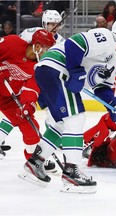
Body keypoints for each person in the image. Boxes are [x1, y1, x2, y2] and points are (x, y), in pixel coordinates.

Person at [21, 17, 116, 193]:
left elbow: (102, 88)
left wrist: (115, 105)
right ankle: (72, 172)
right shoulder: (108, 37)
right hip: (56, 69)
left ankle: (36, 162)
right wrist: (75, 70)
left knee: (60, 123)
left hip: (54, 73)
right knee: (75, 118)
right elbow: (74, 44)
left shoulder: (115, 61)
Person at [0, 9, 65, 156]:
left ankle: (36, 160)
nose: (53, 27)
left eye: (56, 24)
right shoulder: (21, 38)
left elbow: (31, 88)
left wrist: (28, 104)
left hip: (26, 90)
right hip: (10, 83)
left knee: (32, 122)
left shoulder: (59, 45)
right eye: (50, 24)